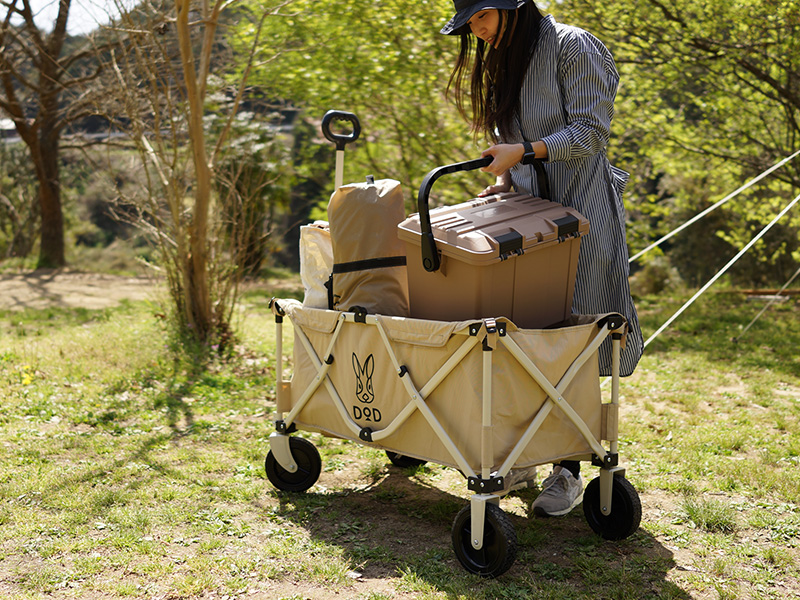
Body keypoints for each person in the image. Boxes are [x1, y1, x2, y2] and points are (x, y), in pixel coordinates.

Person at [440, 0, 644, 517]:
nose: (478, 30)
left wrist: (525, 153)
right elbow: (511, 142)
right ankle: (526, 451)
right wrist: (506, 178)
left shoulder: (573, 46)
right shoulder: (510, 58)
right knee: (524, 332)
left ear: (510, 7)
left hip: (584, 213)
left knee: (572, 338)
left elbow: (591, 133)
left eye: (481, 17)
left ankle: (569, 471)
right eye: (470, 24)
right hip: (529, 218)